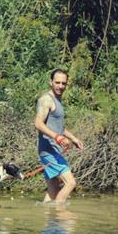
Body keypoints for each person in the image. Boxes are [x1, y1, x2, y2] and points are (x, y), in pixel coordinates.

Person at [34, 69, 84, 204]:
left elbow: (59, 127)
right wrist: (57, 137)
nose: (60, 86)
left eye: (63, 83)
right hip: (49, 150)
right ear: (50, 82)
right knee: (71, 183)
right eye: (57, 82)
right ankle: (58, 213)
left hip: (53, 150)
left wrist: (74, 139)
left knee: (54, 189)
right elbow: (38, 123)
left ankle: (49, 219)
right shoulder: (46, 100)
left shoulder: (58, 101)